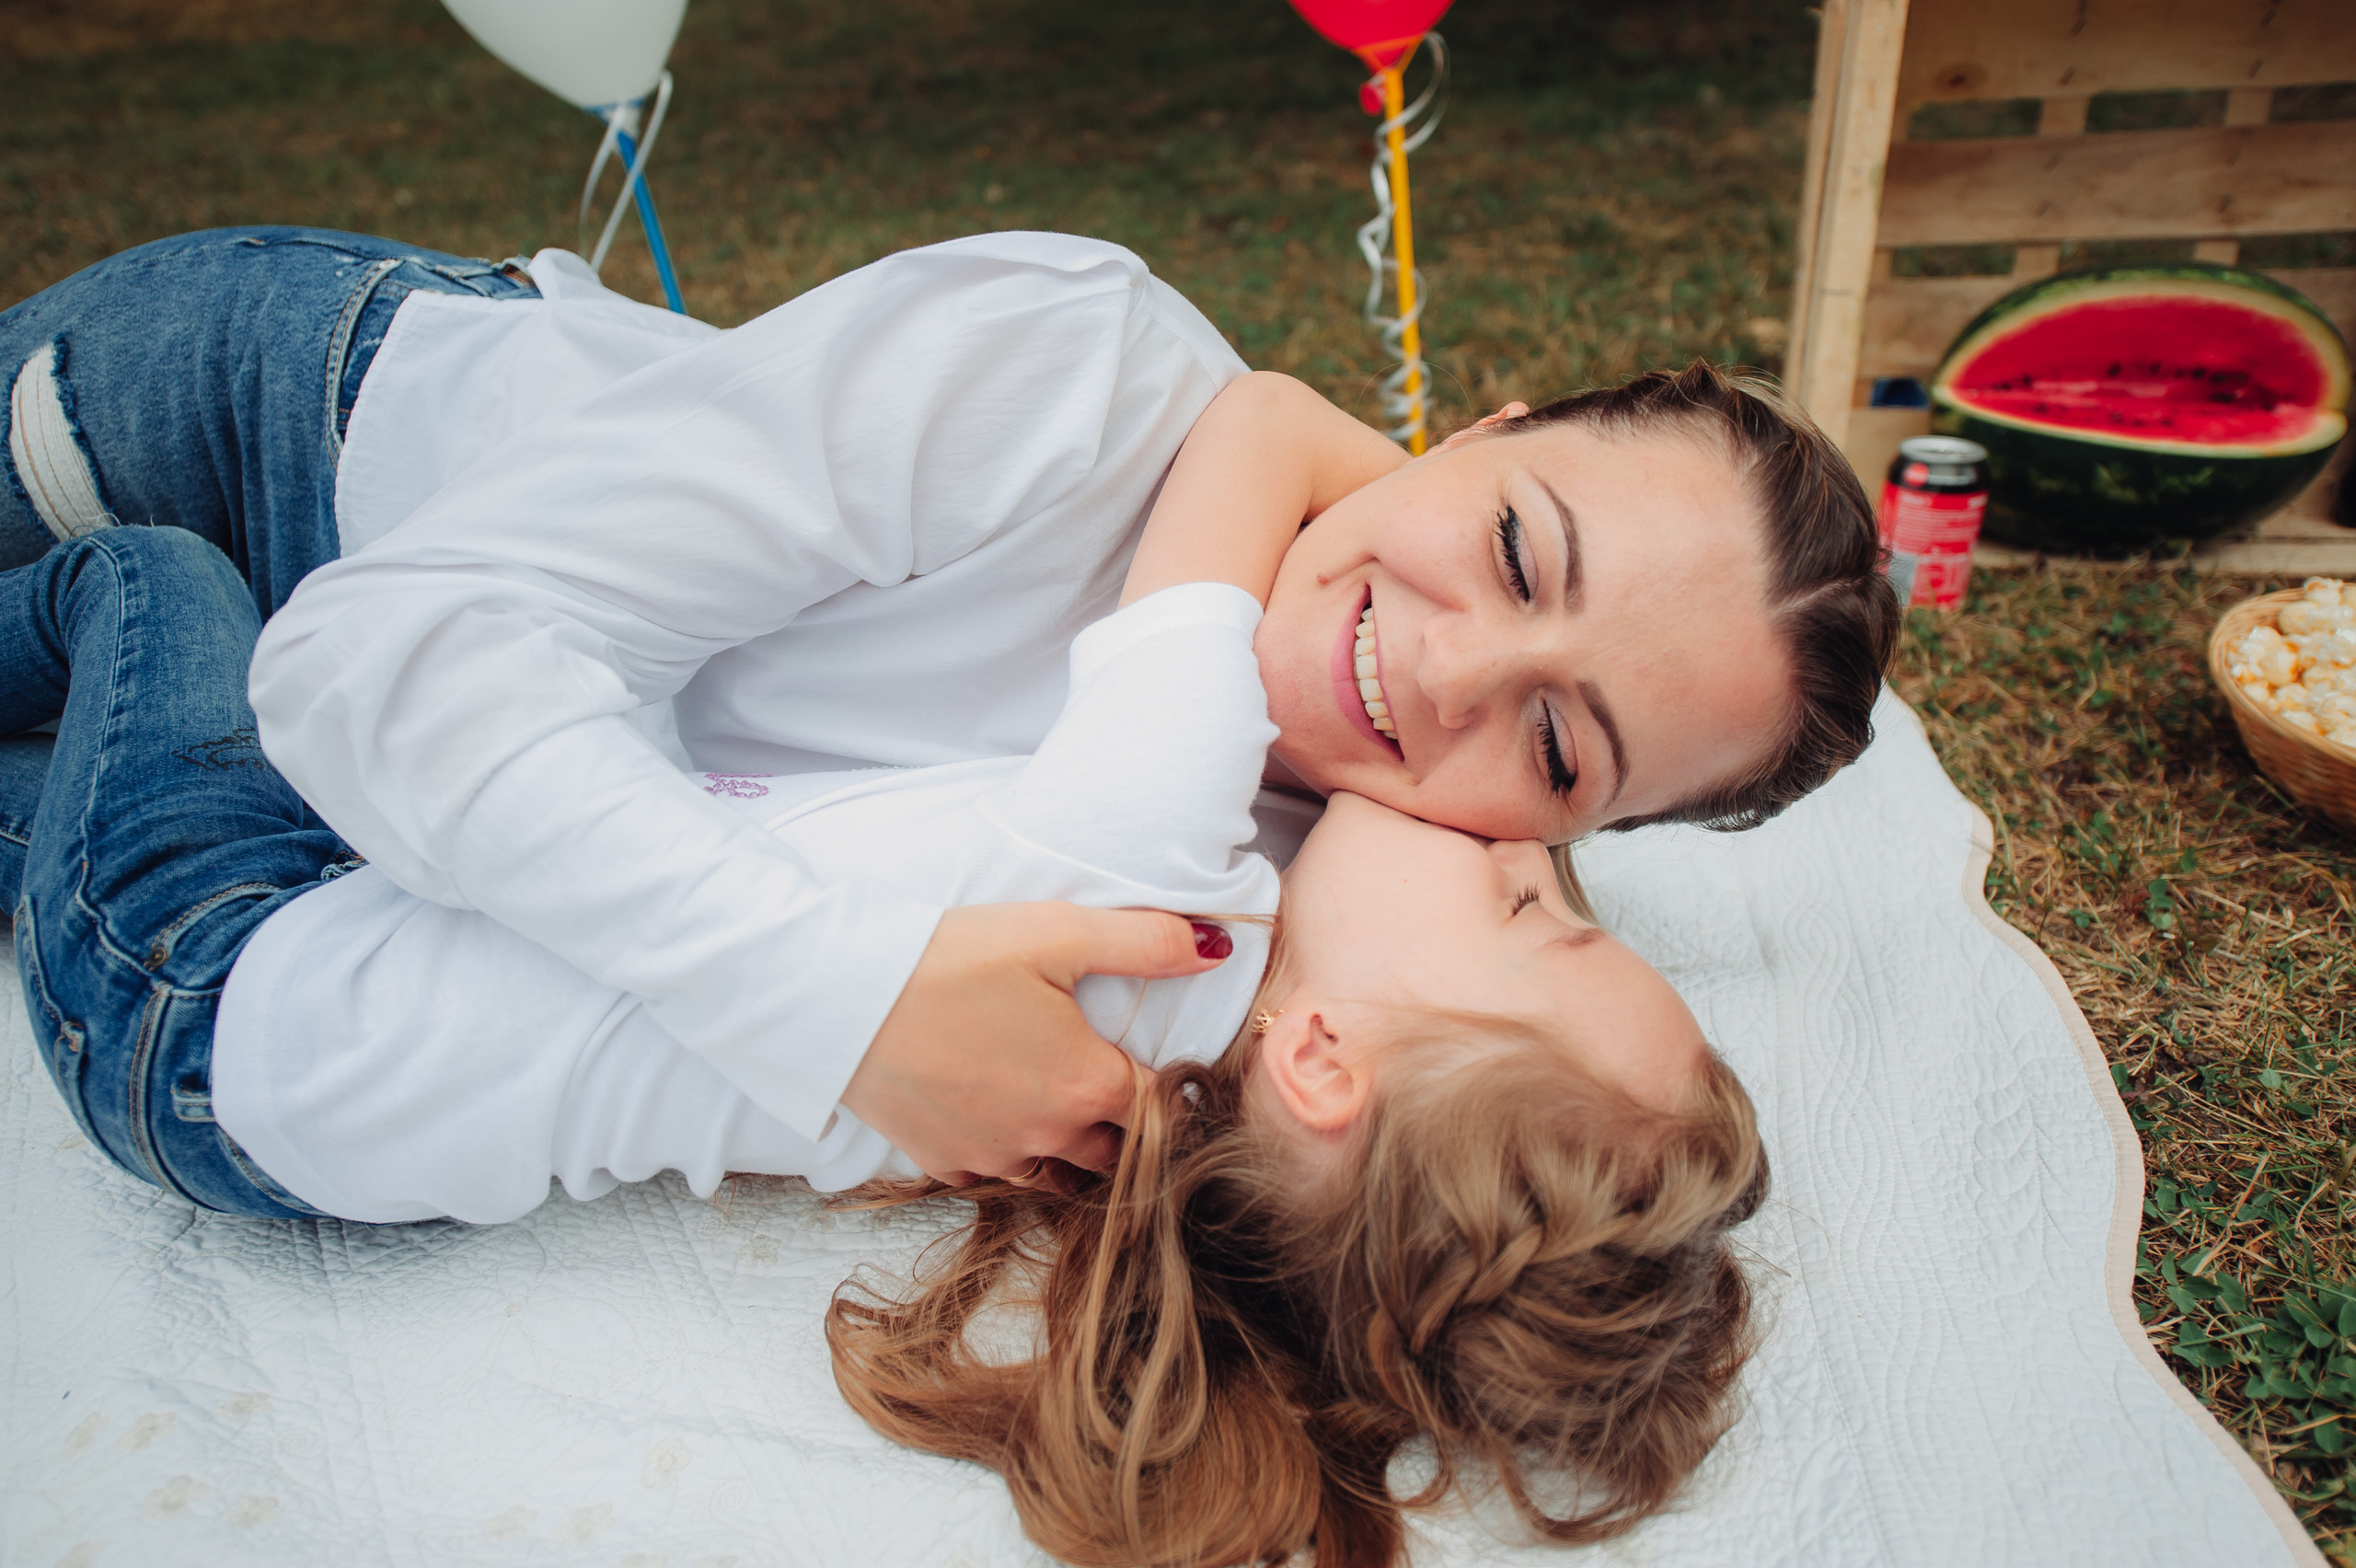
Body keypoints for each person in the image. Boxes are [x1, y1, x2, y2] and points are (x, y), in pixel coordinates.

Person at [0, 385, 1762, 1566]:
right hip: (291, 1084)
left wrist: (1441, 498)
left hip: (217, 983)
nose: (1529, 848)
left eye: (1546, 915)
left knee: (158, 585)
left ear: (1321, 1062)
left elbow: (1253, 426)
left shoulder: (1153, 868)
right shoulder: (1147, 1120)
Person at [0, 225, 1895, 1192]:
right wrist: (834, 1009)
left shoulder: (1324, 904)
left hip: (322, 844)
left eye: (1558, 746)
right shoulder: (1066, 368)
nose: (1443, 673)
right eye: (1511, 541)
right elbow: (372, 653)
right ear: (1479, 430)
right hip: (267, 442)